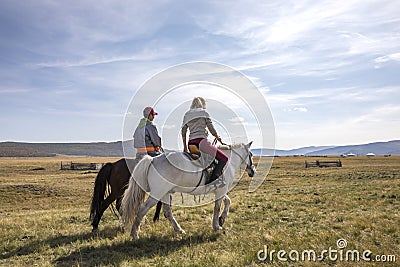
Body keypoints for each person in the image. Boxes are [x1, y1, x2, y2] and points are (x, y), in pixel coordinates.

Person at [181, 97, 228, 185]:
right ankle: (213, 181)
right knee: (224, 158)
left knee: (210, 161)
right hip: (202, 143)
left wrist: (184, 147)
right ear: (202, 104)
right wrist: (218, 137)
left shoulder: (187, 114)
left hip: (191, 143)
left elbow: (183, 132)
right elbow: (211, 128)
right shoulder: (204, 112)